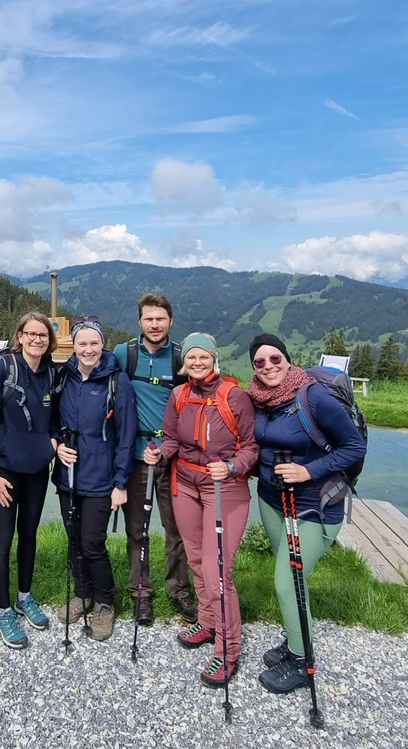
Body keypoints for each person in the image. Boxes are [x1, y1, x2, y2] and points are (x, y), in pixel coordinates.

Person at [248, 333, 366, 695]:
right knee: (290, 578)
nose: (268, 366)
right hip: (270, 498)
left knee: (288, 582)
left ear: (287, 358)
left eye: (275, 358)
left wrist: (308, 472)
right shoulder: (259, 399)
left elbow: (354, 447)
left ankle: (301, 660)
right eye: (260, 362)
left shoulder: (313, 396)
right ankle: (295, 639)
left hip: (315, 505)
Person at [142, 333, 257, 687]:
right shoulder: (179, 395)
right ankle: (208, 622)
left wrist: (234, 466)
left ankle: (228, 648)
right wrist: (159, 452)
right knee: (195, 560)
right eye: (190, 357)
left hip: (225, 488)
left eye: (202, 357)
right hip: (185, 484)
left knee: (217, 568)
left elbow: (251, 447)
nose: (196, 362)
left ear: (213, 358)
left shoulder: (234, 396)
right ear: (184, 361)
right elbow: (173, 438)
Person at [0, 311, 58, 649]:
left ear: (49, 342)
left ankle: (24, 596)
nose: (37, 340)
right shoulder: (1, 371)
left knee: (29, 535)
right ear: (19, 336)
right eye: (31, 334)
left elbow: (56, 418)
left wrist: (50, 444)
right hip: (3, 473)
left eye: (43, 336)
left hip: (36, 470)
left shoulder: (52, 374)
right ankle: (3, 611)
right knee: (3, 539)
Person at [111, 293, 197, 625]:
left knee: (178, 529)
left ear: (170, 321)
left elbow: (194, 405)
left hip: (173, 458)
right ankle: (141, 594)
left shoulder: (181, 359)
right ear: (140, 321)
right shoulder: (124, 354)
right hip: (135, 457)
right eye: (149, 318)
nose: (155, 324)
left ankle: (179, 592)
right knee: (138, 529)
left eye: (160, 319)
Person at [51, 317, 137, 643]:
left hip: (101, 479)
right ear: (74, 346)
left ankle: (104, 601)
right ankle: (83, 593)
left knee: (91, 542)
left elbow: (126, 436)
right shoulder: (65, 377)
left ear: (103, 344)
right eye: (82, 344)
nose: (88, 350)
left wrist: (120, 483)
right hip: (67, 476)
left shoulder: (118, 382)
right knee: (73, 538)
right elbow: (53, 421)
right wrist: (58, 447)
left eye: (94, 343)